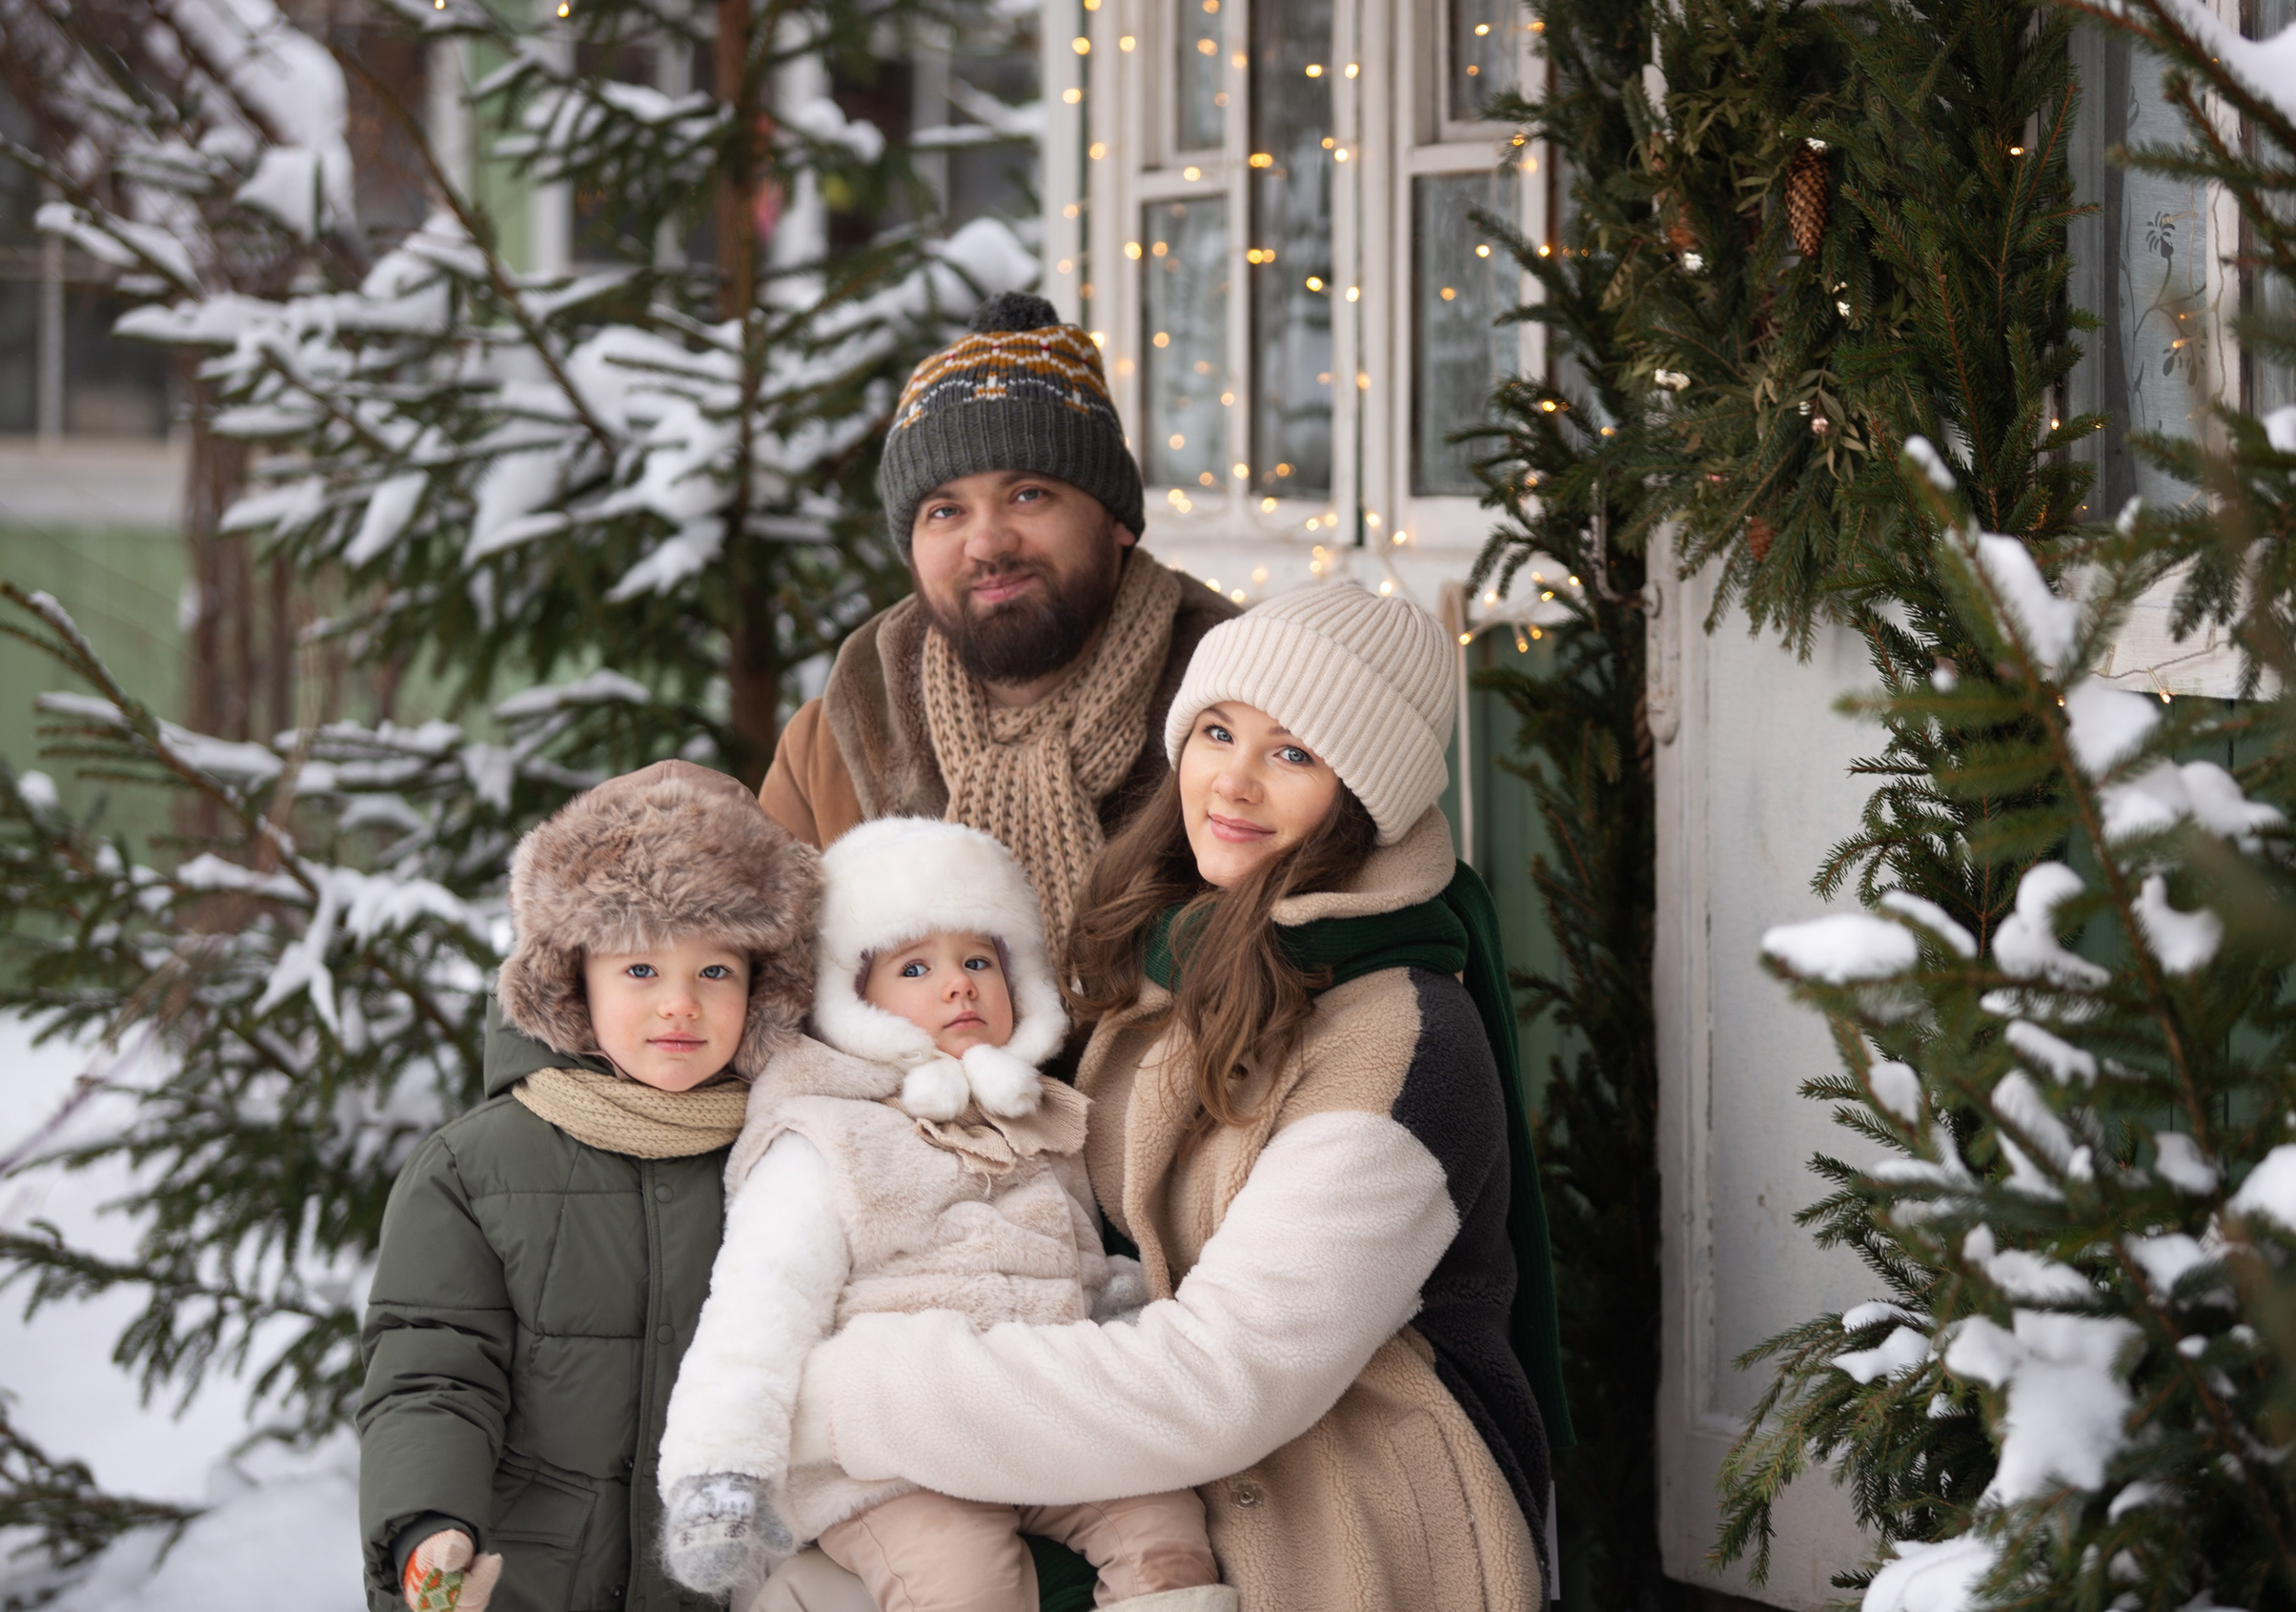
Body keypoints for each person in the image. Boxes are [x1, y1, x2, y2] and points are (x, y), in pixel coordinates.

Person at [756, 585, 1574, 1612]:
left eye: (1292, 754)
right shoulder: (1171, 956)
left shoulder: (1402, 1044)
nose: (1229, 782)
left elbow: (1220, 1381)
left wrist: (832, 1391)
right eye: (1216, 731)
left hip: (1344, 1539)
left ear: (1362, 795)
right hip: (1157, 1495)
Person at [654, 817, 1231, 1612]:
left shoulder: (1039, 1121)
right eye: (916, 965)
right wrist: (718, 1468)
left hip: (1041, 1421)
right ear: (853, 1000)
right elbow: (760, 1303)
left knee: (1162, 1527)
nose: (957, 983)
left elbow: (1069, 1254)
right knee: (967, 1581)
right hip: (891, 1463)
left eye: (978, 960)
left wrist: (1112, 1306)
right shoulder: (828, 1136)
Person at [356, 763, 820, 1612]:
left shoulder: (797, 1153)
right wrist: (427, 1524)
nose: (679, 1004)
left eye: (715, 971)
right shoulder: (474, 1170)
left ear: (764, 987)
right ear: (574, 978)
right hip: (523, 1579)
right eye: (641, 969)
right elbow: (435, 1371)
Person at [758, 291, 1237, 957]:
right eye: (945, 511)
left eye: (1028, 494)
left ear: (1117, 518)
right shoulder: (837, 739)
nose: (986, 544)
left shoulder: (1243, 710)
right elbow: (762, 983)